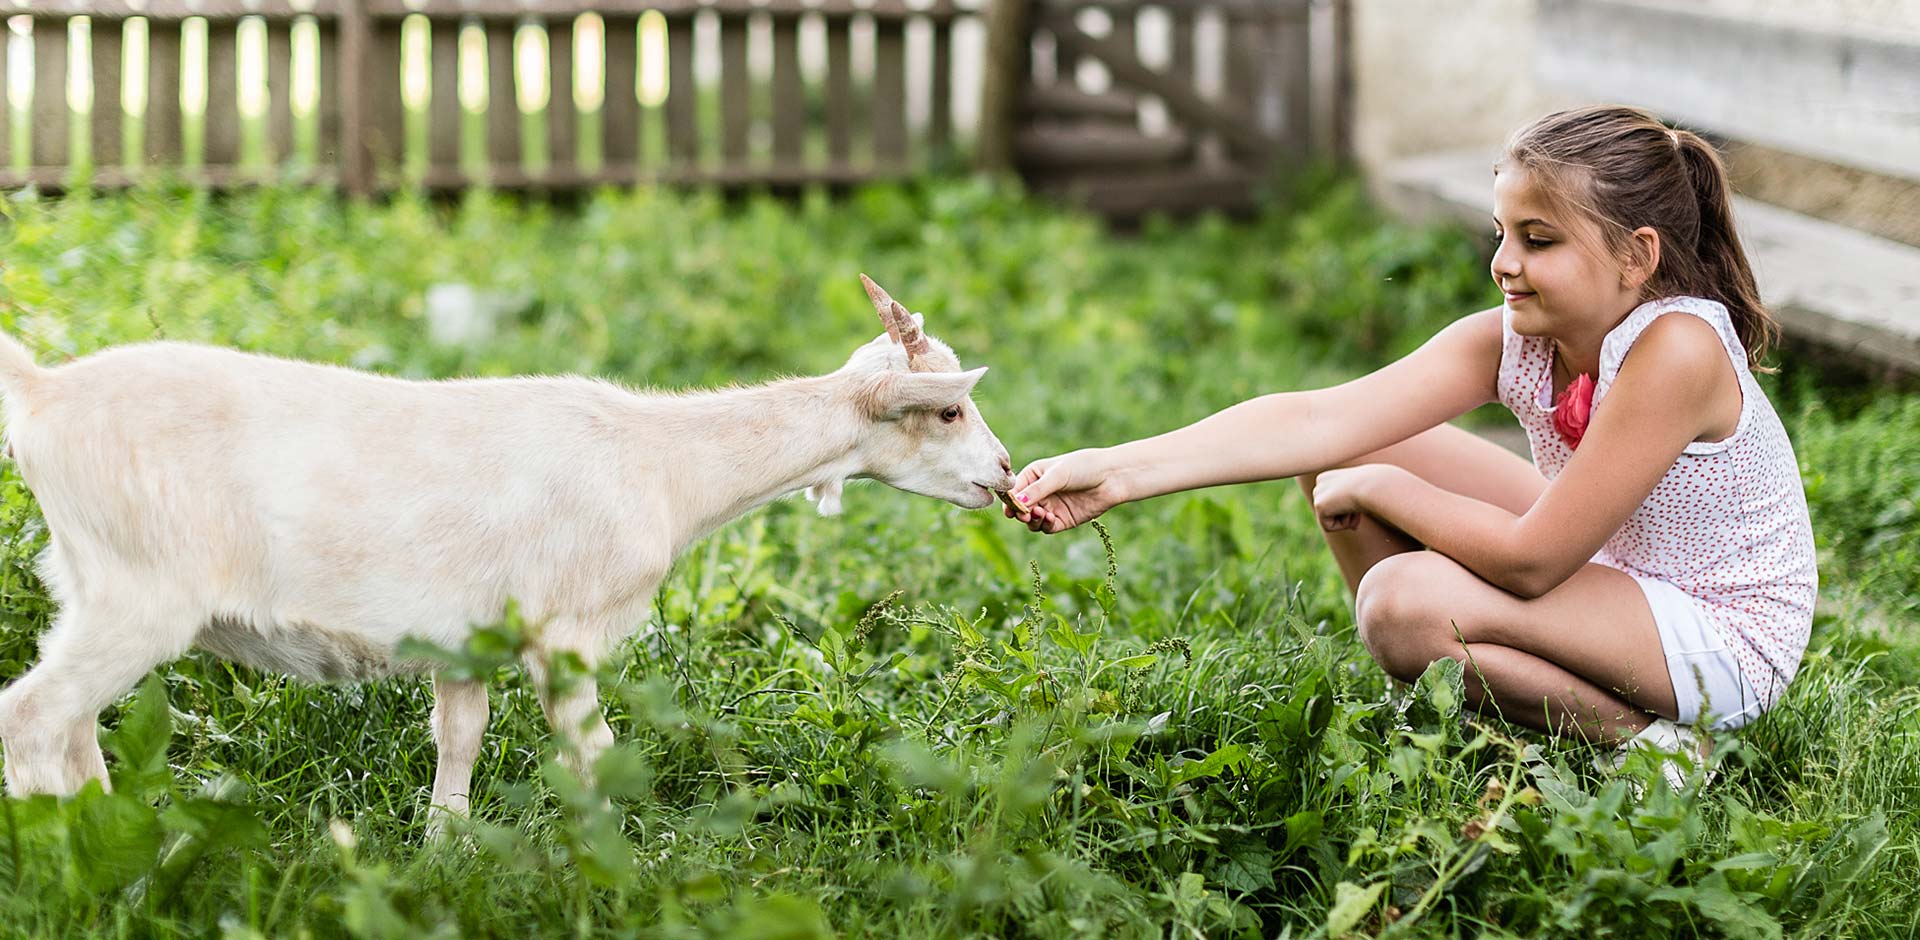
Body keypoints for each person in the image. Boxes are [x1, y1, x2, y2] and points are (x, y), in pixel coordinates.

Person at [1004, 106, 1816, 770]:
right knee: (1342, 455)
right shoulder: (1517, 338)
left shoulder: (1678, 350)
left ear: (1637, 256)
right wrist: (1116, 472)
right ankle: (1444, 686)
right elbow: (1318, 420)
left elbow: (1533, 563)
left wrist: (1394, 493)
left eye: (1539, 240)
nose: (1503, 263)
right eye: (1501, 232)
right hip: (1615, 568)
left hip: (1720, 636)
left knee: (1400, 602)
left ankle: (1653, 747)